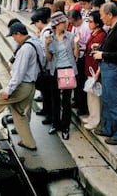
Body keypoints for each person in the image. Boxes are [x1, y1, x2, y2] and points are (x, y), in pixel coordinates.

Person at [0, 22, 44, 151]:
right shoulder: (36, 42)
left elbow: (19, 73)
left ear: (18, 34)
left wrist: (9, 90)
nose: (14, 39)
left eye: (13, 36)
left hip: (22, 86)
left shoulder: (25, 49)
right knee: (18, 113)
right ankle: (29, 143)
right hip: (31, 86)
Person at [92, 2, 117, 145]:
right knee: (107, 101)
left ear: (110, 15)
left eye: (103, 16)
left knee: (115, 103)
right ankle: (108, 128)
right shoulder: (113, 27)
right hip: (108, 69)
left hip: (116, 70)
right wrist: (100, 49)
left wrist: (103, 55)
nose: (101, 19)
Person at [45, 11, 80, 140]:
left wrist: (76, 43)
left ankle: (65, 127)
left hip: (68, 70)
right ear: (56, 24)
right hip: (55, 70)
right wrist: (46, 45)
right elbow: (48, 59)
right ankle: (55, 123)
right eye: (62, 22)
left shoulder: (71, 36)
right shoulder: (50, 38)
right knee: (55, 99)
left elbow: (77, 55)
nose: (65, 23)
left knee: (66, 101)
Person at [30, 7, 53, 125]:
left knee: (48, 93)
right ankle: (45, 110)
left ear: (40, 21)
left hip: (48, 67)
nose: (35, 25)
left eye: (35, 23)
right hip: (46, 67)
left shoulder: (47, 32)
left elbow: (45, 51)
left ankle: (49, 114)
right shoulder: (44, 31)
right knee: (45, 92)